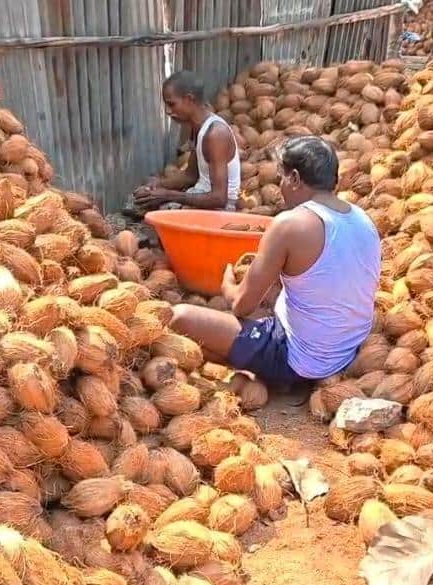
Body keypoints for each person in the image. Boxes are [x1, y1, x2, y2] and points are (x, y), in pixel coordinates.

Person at [169, 136, 382, 390]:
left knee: (178, 317)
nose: (280, 186)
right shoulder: (363, 218)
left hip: (299, 360)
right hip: (349, 352)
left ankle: (276, 375)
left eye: (281, 177)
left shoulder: (289, 224)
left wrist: (228, 286)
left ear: (294, 178)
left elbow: (241, 306)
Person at [129, 70, 241, 213]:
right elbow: (190, 176)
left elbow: (219, 198)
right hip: (202, 199)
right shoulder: (198, 128)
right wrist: (157, 184)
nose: (168, 111)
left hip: (219, 211)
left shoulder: (215, 134)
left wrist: (168, 195)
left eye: (172, 104)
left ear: (189, 99)